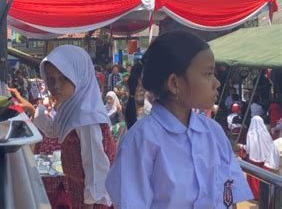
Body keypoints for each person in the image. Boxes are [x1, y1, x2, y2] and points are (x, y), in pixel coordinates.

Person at [106, 31, 252, 208]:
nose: (216, 83)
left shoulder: (214, 133)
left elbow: (230, 197)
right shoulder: (141, 141)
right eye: (207, 74)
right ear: (175, 83)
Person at [33, 45, 116, 209]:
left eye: (64, 78)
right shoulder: (70, 108)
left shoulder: (87, 118)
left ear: (79, 76)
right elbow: (54, 130)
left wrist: (87, 205)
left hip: (93, 202)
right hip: (79, 191)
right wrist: (40, 111)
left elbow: (96, 171)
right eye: (51, 79)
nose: (55, 86)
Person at [237, 115, 274, 200]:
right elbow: (270, 146)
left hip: (253, 162)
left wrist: (243, 147)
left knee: (254, 179)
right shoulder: (266, 134)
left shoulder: (251, 134)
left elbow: (249, 149)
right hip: (265, 162)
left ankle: (256, 195)